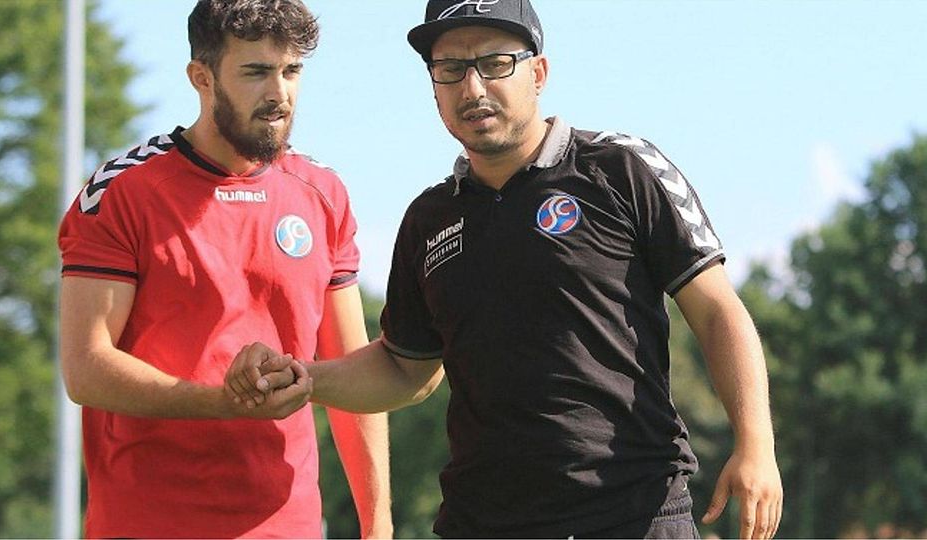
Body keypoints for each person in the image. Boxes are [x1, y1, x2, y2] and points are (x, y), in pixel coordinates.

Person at [227, 0, 783, 538]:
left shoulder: (622, 168)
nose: (473, 89)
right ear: (434, 87)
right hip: (483, 523)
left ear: (538, 72)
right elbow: (404, 370)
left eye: (495, 64)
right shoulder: (429, 218)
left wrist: (755, 444)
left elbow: (716, 313)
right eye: (450, 70)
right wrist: (305, 378)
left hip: (633, 512)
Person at [57, 0, 393, 537]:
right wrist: (224, 403)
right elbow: (86, 365)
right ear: (202, 77)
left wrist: (378, 528)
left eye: (291, 70)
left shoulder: (324, 194)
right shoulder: (122, 192)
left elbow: (354, 375)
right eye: (256, 71)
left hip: (288, 525)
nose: (279, 93)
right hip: (147, 523)